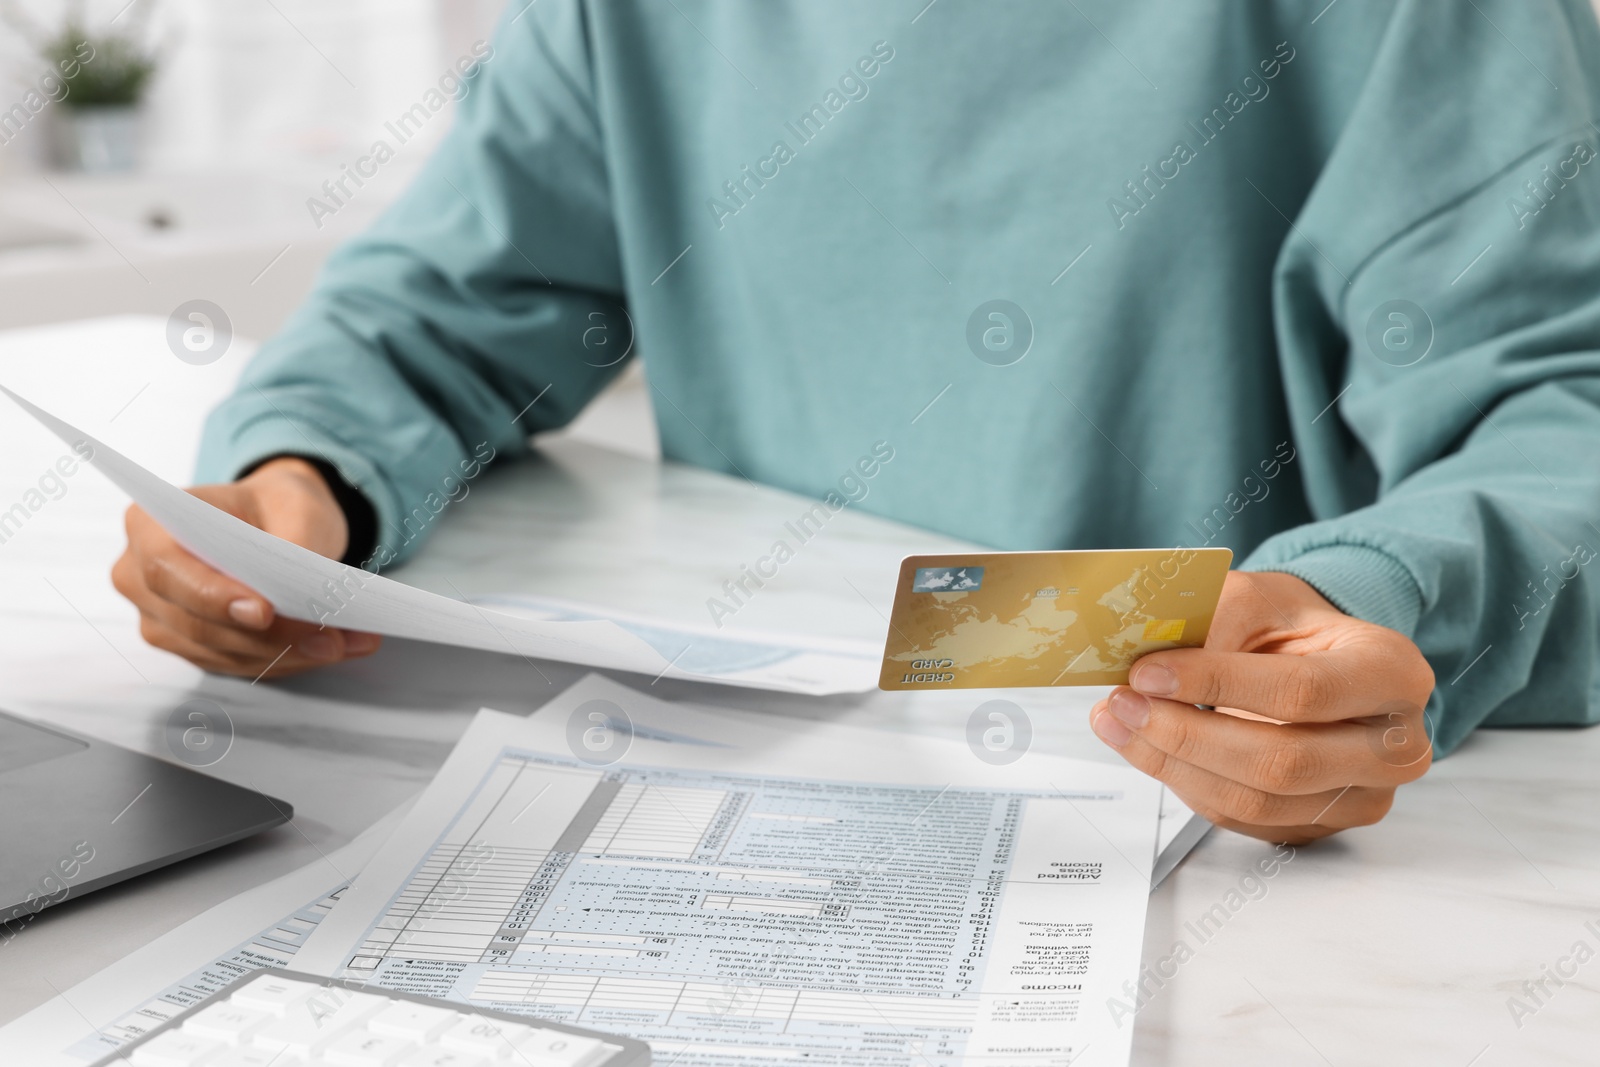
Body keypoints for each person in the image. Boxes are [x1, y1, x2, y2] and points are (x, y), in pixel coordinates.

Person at [112, 0, 1600, 843]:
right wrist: (298, 480)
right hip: (715, 799)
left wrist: (1373, 597)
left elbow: (1558, 411)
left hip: (1192, 817)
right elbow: (441, 307)